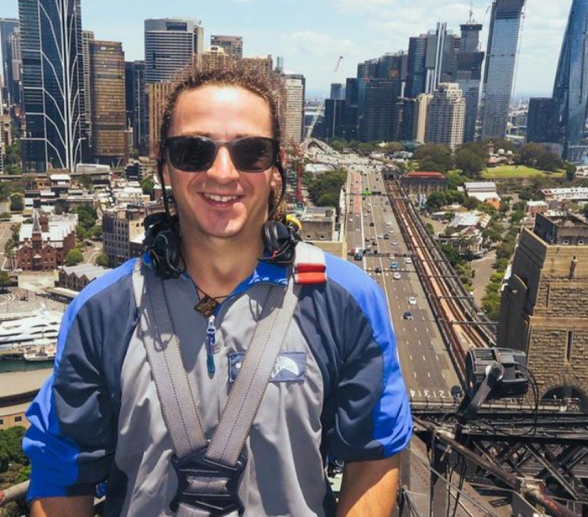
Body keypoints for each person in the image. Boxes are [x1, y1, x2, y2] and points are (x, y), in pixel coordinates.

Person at [23, 59, 411, 517]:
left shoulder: (345, 300)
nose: (224, 172)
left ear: (275, 169)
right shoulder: (100, 313)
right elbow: (62, 473)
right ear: (164, 167)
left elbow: (374, 453)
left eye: (251, 152)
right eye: (194, 151)